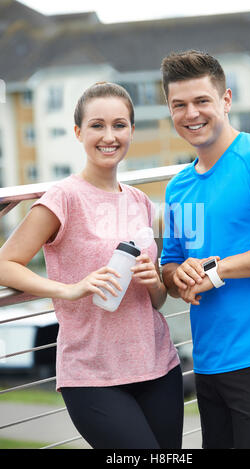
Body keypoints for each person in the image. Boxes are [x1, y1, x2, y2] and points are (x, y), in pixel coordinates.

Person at [0, 82, 183, 449]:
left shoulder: (141, 203)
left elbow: (158, 302)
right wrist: (68, 288)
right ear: (78, 132)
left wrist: (152, 282)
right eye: (97, 125)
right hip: (92, 376)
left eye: (119, 125)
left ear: (131, 130)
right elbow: (5, 263)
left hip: (159, 365)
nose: (109, 136)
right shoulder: (64, 198)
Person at [160, 50, 250, 449]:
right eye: (179, 105)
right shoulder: (177, 188)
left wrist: (217, 273)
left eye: (202, 101)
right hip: (209, 363)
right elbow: (169, 269)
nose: (191, 113)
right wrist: (179, 275)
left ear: (226, 100)